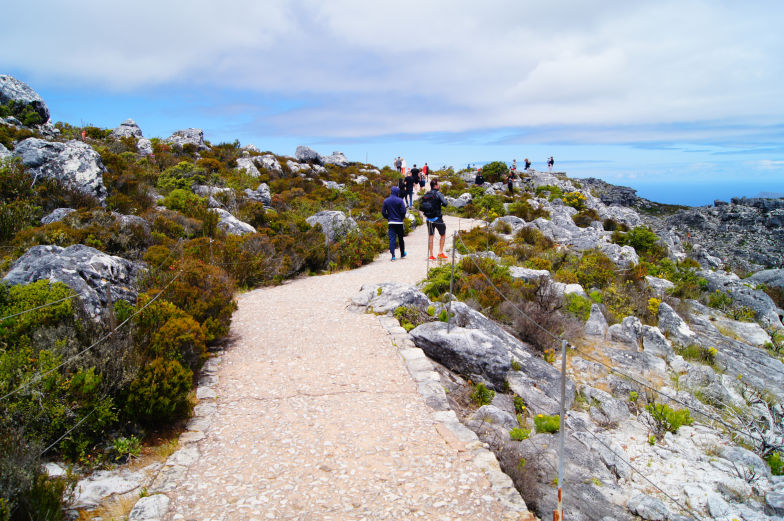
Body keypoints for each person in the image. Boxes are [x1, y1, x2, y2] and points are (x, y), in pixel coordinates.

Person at [422, 179, 449, 260]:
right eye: (439, 184)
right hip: (437, 218)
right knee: (443, 234)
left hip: (428, 219)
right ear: (436, 186)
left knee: (431, 236)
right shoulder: (438, 193)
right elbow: (445, 203)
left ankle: (431, 255)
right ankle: (440, 253)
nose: (439, 186)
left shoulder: (427, 194)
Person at [381, 186, 407, 261]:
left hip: (391, 222)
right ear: (397, 192)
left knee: (392, 239)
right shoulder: (400, 200)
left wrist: (388, 217)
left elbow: (383, 212)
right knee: (401, 238)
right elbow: (403, 211)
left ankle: (393, 255)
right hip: (399, 222)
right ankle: (402, 253)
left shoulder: (386, 201)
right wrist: (401, 218)